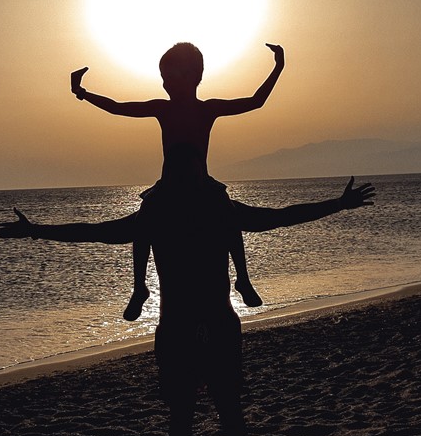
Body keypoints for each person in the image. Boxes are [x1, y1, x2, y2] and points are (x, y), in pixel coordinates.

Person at [0, 176, 376, 436]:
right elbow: (276, 217)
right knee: (227, 413)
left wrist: (35, 231)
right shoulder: (218, 211)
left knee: (185, 417)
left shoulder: (156, 215)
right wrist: (336, 206)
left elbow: (95, 232)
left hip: (179, 326)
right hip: (216, 323)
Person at [71, 42, 285, 320]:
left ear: (192, 77)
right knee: (144, 220)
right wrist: (83, 93)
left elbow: (256, 101)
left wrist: (278, 66)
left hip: (202, 183)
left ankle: (242, 278)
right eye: (163, 77)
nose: (165, 83)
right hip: (169, 186)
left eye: (170, 76)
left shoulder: (207, 109)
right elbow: (117, 108)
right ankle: (139, 287)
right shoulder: (163, 109)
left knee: (228, 212)